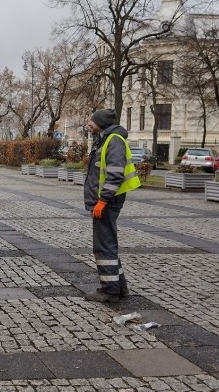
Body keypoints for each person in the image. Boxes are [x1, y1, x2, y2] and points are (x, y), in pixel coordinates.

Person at [83, 109, 141, 303]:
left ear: (100, 122)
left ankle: (109, 291)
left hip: (107, 202)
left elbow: (115, 175)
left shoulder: (113, 140)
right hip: (106, 201)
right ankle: (119, 286)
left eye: (91, 120)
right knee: (108, 244)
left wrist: (102, 201)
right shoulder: (106, 138)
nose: (88, 124)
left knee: (104, 246)